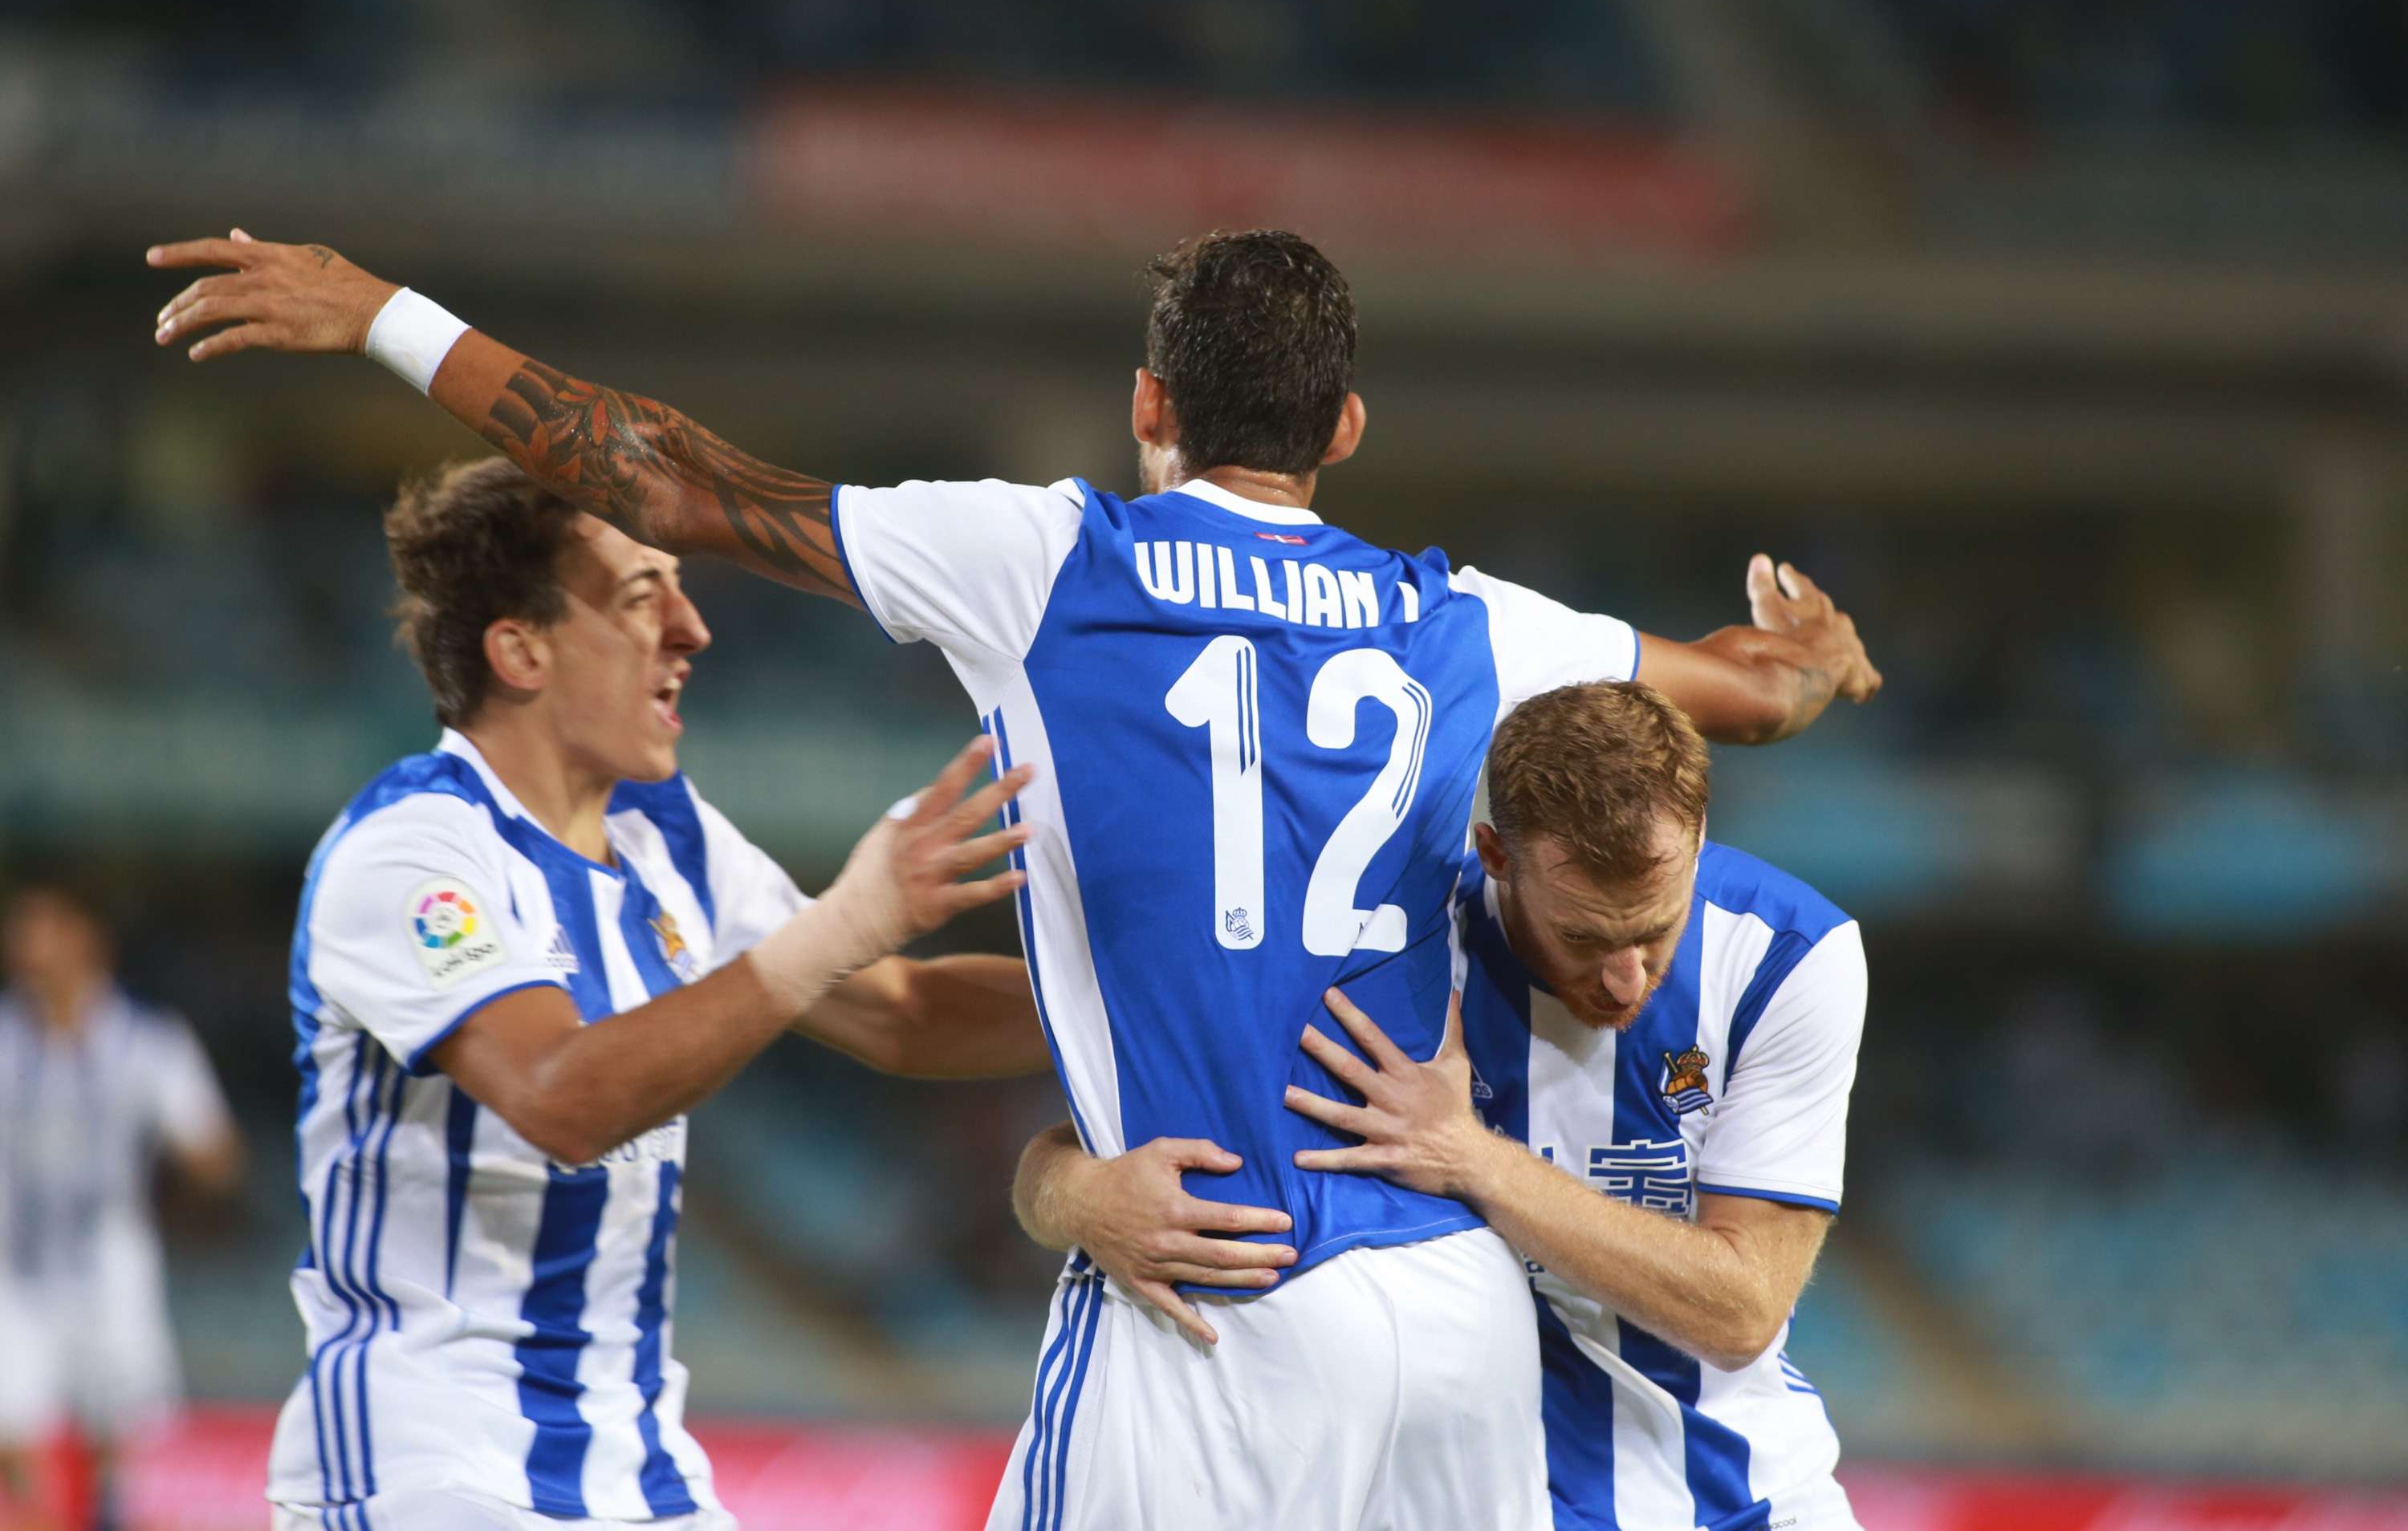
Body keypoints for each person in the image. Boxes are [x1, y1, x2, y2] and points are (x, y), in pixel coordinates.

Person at [149, 228, 1881, 1529]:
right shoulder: (1472, 620)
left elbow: (668, 473)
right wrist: (1814, 657)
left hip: (1219, 1287)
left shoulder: (1048, 559)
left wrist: (384, 315)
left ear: (1149, 407)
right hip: (1452, 1313)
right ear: (1346, 423)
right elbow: (1742, 687)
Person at [262, 458, 1050, 1530]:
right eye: (642, 596)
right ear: (521, 648)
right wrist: (844, 920)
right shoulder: (411, 854)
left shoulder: (666, 839)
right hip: (428, 1470)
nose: (691, 628)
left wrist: (1180, 999)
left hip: (638, 1478)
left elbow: (901, 1011)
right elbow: (561, 1099)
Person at [1019, 680, 1869, 1531]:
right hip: (1463, 1498)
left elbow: (1741, 1310)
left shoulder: (1788, 958)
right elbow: (1085, 1124)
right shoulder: (1385, 950)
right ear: (1496, 853)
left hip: (1746, 1502)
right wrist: (1081, 1195)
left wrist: (1471, 1155)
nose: (1626, 977)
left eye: (1656, 926)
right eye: (1585, 937)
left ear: (1699, 839)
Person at [0, 883, 246, 1531]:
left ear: (86, 939)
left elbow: (213, 1150)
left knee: (114, 1441)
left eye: (43, 929)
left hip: (110, 1267)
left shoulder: (145, 1041)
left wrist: (193, 1183)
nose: (26, 948)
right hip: (13, 1271)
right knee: (15, 1434)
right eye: (21, 931)